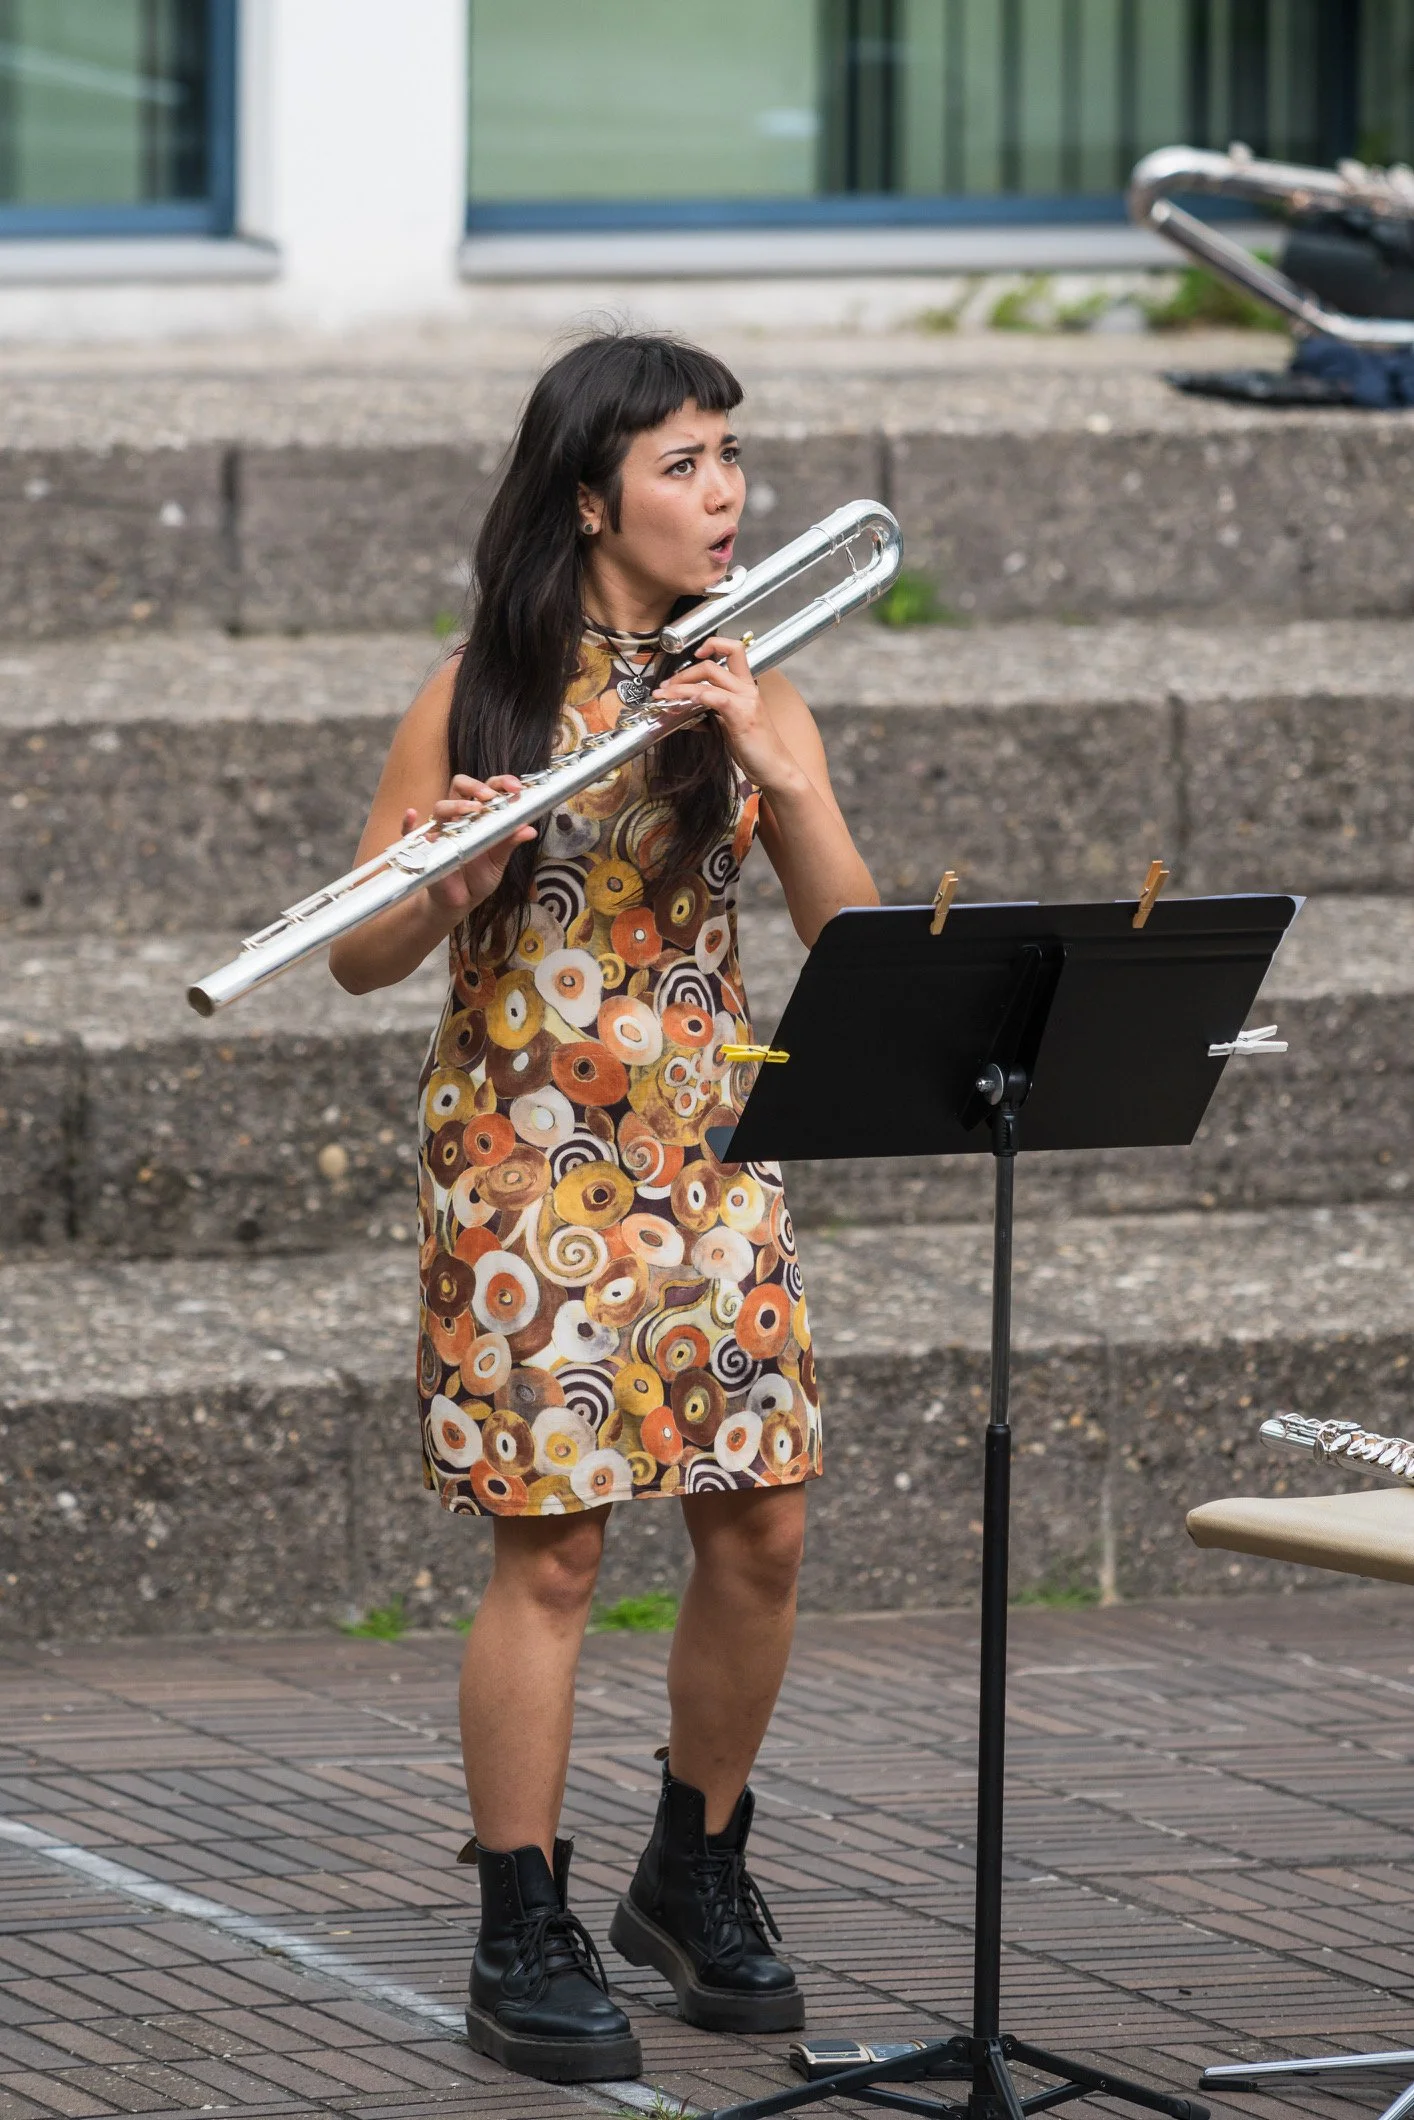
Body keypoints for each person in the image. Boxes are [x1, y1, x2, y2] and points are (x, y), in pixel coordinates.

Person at [330, 331, 879, 2083]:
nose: (723, 496)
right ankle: (520, 1913)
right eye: (682, 464)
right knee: (553, 1550)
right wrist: (454, 874)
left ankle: (690, 1867)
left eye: (731, 457)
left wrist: (780, 773)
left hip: (710, 1153)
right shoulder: (475, 693)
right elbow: (357, 952)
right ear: (589, 497)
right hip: (521, 1157)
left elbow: (856, 937)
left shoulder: (751, 683)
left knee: (764, 1523)